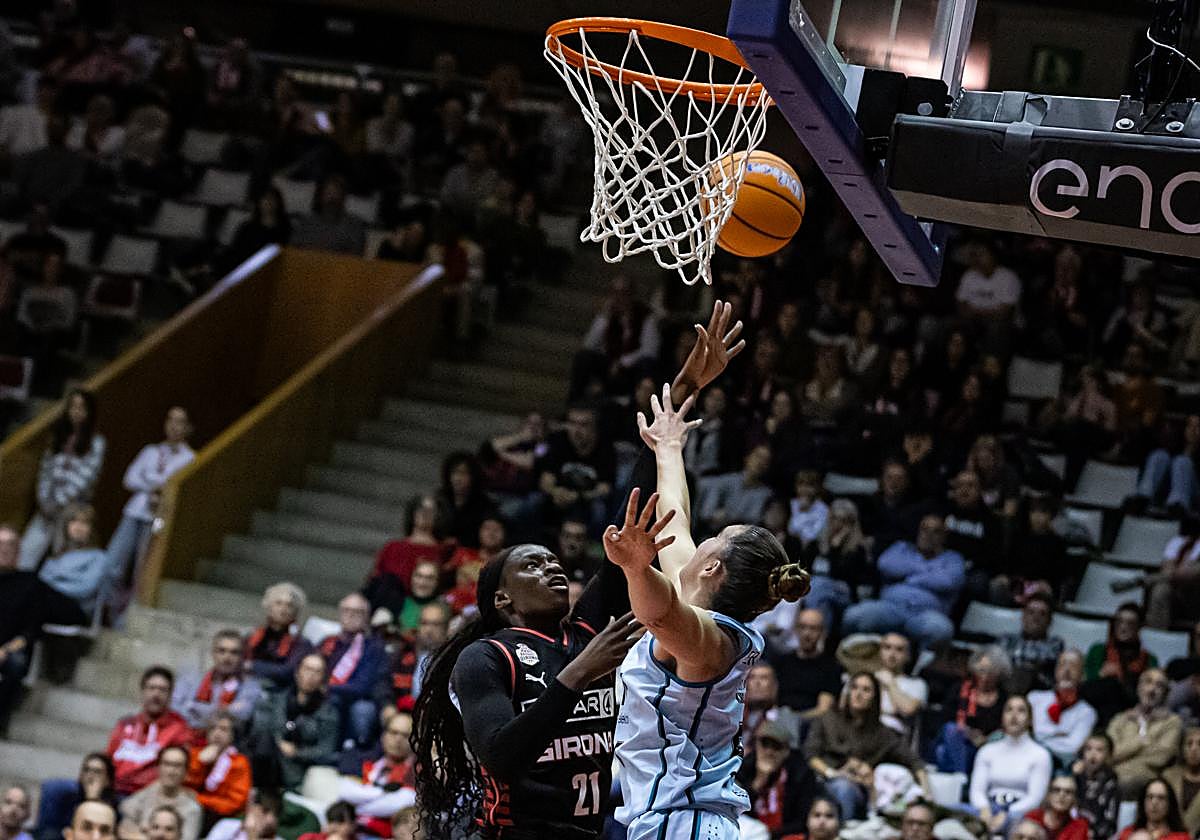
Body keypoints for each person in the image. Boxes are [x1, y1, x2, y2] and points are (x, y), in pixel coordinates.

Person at [412, 299, 744, 840]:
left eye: (552, 560)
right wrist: (580, 672)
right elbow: (500, 756)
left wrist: (683, 392)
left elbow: (634, 511)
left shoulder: (585, 629)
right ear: (502, 599)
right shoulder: (486, 657)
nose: (551, 566)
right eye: (532, 565)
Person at [608, 382, 810, 839]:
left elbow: (660, 615)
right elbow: (675, 519)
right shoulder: (697, 604)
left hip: (683, 821)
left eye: (716, 537)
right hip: (687, 820)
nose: (702, 540)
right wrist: (668, 447)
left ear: (713, 566)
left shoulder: (710, 641)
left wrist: (636, 569)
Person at [106, 407, 195, 617]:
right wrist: (154, 486)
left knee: (142, 569)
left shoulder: (190, 458)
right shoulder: (151, 451)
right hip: (135, 511)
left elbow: (175, 487)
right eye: (170, 420)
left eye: (180, 421)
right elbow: (129, 479)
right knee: (113, 562)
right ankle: (107, 610)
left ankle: (128, 617)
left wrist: (150, 480)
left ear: (188, 427)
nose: (174, 426)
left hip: (159, 518)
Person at [805, 672, 930, 821]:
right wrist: (832, 773)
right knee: (838, 786)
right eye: (854, 688)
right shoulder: (828, 719)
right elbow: (810, 755)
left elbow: (914, 761)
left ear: (874, 697)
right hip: (823, 778)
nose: (858, 694)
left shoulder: (883, 733)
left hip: (858, 787)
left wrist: (927, 792)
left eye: (866, 690)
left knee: (846, 787)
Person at [841, 513, 965, 651]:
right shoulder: (902, 547)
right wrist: (928, 572)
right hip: (891, 608)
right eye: (924, 529)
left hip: (926, 614)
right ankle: (859, 657)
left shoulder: (953, 558)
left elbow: (948, 581)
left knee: (942, 630)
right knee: (853, 616)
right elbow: (885, 564)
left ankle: (921, 664)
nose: (928, 535)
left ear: (944, 536)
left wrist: (909, 576)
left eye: (935, 531)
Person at [18, 389, 104, 571]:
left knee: (62, 557)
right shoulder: (58, 437)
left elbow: (86, 478)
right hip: (46, 506)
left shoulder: (97, 443)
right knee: (26, 553)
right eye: (73, 407)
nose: (76, 412)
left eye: (81, 407)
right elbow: (45, 471)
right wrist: (44, 500)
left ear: (89, 412)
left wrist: (59, 503)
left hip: (72, 509)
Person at [246, 653, 339, 791]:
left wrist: (297, 752)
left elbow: (326, 750)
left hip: (298, 769)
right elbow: (263, 729)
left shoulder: (328, 713)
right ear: (297, 672)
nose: (311, 676)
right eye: (307, 669)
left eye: (317, 672)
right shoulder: (278, 700)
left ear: (323, 678)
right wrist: (278, 741)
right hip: (269, 759)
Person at [969, 695, 1053, 836]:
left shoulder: (1040, 754)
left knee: (1020, 826)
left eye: (1021, 710)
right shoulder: (987, 751)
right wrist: (984, 809)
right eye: (1009, 710)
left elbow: (1035, 798)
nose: (1014, 715)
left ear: (1030, 719)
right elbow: (977, 791)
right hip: (988, 808)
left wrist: (1008, 813)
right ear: (1002, 717)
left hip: (1020, 811)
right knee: (950, 815)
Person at [106, 667, 192, 796]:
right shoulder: (125, 724)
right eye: (151, 688)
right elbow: (108, 760)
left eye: (162, 690)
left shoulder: (179, 730)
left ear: (170, 695)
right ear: (142, 691)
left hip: (148, 796)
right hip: (113, 790)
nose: (156, 694)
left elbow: (178, 770)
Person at [319, 593, 387, 748]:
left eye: (357, 612)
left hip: (353, 700)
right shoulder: (328, 642)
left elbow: (363, 686)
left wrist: (326, 688)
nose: (350, 615)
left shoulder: (373, 647)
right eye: (346, 610)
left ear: (367, 618)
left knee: (355, 708)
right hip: (323, 693)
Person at [734, 719, 817, 837]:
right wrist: (759, 782)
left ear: (786, 751)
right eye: (765, 745)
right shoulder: (744, 767)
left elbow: (801, 821)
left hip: (783, 834)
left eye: (776, 747)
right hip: (749, 831)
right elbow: (735, 809)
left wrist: (770, 834)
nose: (769, 752)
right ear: (757, 745)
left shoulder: (801, 774)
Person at [935, 647, 1011, 773]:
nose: (984, 676)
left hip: (987, 746)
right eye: (981, 670)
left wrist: (985, 739)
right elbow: (945, 719)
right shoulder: (959, 689)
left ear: (999, 674)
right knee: (949, 735)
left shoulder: (1004, 698)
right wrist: (968, 733)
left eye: (990, 672)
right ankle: (961, 776)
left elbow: (1004, 727)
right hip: (960, 743)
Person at [1108, 668, 1181, 798]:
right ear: (1139, 687)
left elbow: (1161, 757)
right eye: (1148, 682)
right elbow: (1108, 753)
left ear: (1165, 693)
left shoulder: (1172, 722)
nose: (1152, 690)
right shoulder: (1121, 719)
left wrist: (1123, 756)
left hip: (1147, 779)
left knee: (1124, 781)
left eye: (1159, 686)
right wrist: (1142, 741)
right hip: (1113, 776)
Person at [172, 631, 262, 735]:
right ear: (213, 653)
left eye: (234, 652)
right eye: (221, 651)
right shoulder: (191, 680)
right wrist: (226, 710)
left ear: (242, 657)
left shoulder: (250, 686)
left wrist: (193, 707)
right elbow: (174, 708)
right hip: (189, 737)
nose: (227, 657)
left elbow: (243, 714)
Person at [1083, 602, 1159, 725]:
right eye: (1119, 622)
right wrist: (1100, 674)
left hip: (1130, 712)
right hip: (1096, 707)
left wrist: (1122, 680)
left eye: (1130, 623)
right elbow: (1086, 683)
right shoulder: (1098, 650)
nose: (1123, 627)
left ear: (1139, 627)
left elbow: (1150, 693)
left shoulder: (1149, 659)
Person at [802, 498, 871, 632]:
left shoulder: (858, 550)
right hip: (817, 592)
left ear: (852, 524)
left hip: (844, 594)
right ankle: (821, 638)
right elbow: (804, 570)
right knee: (822, 601)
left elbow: (842, 576)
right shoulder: (815, 545)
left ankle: (811, 629)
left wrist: (834, 548)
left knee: (819, 584)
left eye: (844, 521)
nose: (837, 524)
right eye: (834, 519)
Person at [765, 609, 843, 720]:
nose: (807, 633)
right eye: (803, 627)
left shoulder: (831, 667)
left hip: (812, 723)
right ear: (796, 629)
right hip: (780, 720)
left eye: (813, 628)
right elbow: (772, 702)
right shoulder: (781, 662)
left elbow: (824, 709)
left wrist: (795, 720)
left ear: (823, 632)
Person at [36, 503, 107, 616]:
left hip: (77, 610)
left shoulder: (99, 557)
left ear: (92, 528)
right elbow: (40, 582)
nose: (78, 527)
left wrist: (52, 585)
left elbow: (86, 589)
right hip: (48, 606)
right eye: (74, 521)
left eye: (84, 523)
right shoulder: (56, 557)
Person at [1029, 649, 1098, 766]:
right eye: (1062, 665)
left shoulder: (1087, 712)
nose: (1066, 670)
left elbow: (1072, 748)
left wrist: (1038, 738)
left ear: (1083, 675)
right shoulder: (1034, 698)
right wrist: (1057, 735)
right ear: (1055, 671)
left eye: (1073, 666)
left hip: (1059, 765)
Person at [116, 746, 201, 840]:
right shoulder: (146, 794)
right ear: (158, 767)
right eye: (166, 764)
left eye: (177, 766)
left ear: (186, 771)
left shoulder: (192, 809)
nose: (171, 771)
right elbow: (124, 828)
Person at [183, 712, 250, 824]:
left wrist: (200, 799)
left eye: (223, 729)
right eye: (212, 728)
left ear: (232, 735)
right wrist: (200, 763)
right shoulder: (195, 754)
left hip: (221, 818)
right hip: (189, 811)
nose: (217, 733)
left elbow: (235, 803)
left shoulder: (239, 762)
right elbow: (184, 787)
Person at [245, 582, 312, 689]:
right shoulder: (252, 635)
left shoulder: (301, 643)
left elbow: (287, 671)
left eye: (289, 605)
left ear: (295, 612)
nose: (283, 609)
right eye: (278, 603)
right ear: (269, 607)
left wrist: (252, 666)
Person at [34, 753, 117, 840]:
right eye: (86, 770)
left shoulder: (115, 805)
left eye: (97, 772)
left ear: (108, 780)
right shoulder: (66, 798)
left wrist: (93, 798)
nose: (90, 776)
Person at [998, 594, 1064, 695]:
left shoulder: (1055, 644)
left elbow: (1042, 659)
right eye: (1031, 612)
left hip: (1039, 694)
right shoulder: (1007, 639)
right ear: (1023, 616)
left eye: (1042, 614)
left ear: (1050, 620)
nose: (1036, 618)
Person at [876, 632, 927, 742]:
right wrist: (891, 710)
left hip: (893, 737)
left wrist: (890, 683)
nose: (892, 654)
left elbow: (907, 709)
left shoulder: (916, 684)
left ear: (908, 656)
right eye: (887, 647)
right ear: (880, 651)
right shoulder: (865, 678)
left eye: (899, 649)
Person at [1073, 734, 1120, 840]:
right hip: (1071, 831)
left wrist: (1091, 833)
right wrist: (1073, 777)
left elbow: (1110, 823)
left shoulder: (1111, 784)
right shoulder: (1075, 778)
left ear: (1109, 756)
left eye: (1099, 750)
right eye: (1088, 749)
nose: (1092, 754)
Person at [1115, 778, 1190, 840]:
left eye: (1161, 798)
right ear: (1143, 802)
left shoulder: (1182, 838)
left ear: (1169, 804)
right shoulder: (1127, 834)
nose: (1154, 802)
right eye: (1150, 797)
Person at [1023, 774, 1089, 840]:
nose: (1062, 795)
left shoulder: (1079, 826)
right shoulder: (1033, 817)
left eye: (1068, 792)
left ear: (1075, 799)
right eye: (1057, 790)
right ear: (1049, 795)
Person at [1162, 726, 1200, 835]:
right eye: (1189, 744)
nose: (1194, 749)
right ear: (1182, 749)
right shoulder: (1168, 776)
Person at [205, 788, 282, 840]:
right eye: (265, 811)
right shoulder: (227, 825)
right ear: (251, 807)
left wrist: (252, 836)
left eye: (276, 813)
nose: (271, 819)